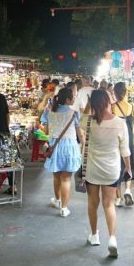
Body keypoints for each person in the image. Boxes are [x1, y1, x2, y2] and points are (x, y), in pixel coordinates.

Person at [84, 90, 131, 258]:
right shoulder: (120, 123)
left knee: (92, 202)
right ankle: (112, 238)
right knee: (109, 204)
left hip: (92, 169)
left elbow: (82, 118)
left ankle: (95, 235)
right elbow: (125, 150)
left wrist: (90, 105)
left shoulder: (89, 121)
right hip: (111, 170)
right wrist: (129, 168)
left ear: (94, 103)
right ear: (108, 102)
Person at [41, 86, 84, 217]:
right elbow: (80, 133)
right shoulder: (74, 113)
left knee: (56, 176)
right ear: (68, 99)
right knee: (66, 179)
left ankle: (58, 201)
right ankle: (64, 209)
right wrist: (84, 145)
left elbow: (46, 131)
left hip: (55, 146)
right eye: (72, 97)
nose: (74, 99)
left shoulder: (50, 111)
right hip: (70, 147)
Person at [111, 82, 134, 207]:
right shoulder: (132, 107)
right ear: (126, 92)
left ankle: (118, 198)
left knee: (117, 166)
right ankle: (128, 190)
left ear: (115, 92)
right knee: (128, 165)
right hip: (128, 140)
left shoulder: (112, 107)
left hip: (115, 140)